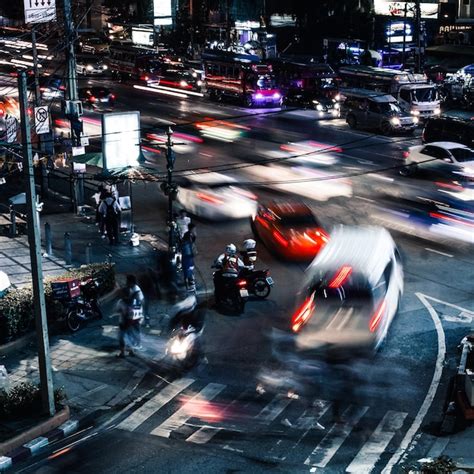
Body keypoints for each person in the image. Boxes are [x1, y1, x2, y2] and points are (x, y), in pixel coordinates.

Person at [117, 275, 144, 358]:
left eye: (127, 281)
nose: (126, 283)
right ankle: (132, 350)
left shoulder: (135, 291)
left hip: (129, 320)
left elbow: (140, 303)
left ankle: (124, 352)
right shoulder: (133, 290)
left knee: (123, 336)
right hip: (133, 318)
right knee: (131, 335)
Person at [181, 226, 196, 292]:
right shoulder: (186, 244)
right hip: (187, 260)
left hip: (189, 259)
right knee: (187, 273)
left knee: (190, 272)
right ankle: (188, 287)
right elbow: (187, 253)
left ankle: (190, 284)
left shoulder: (188, 243)